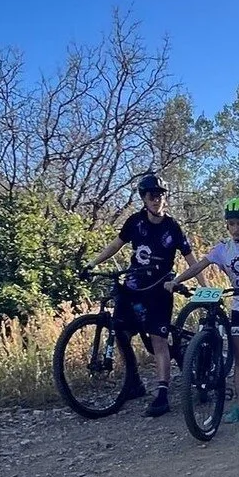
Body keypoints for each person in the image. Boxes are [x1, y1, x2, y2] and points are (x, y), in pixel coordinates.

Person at [84, 171, 199, 417]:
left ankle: (162, 394)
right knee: (122, 333)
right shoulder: (134, 222)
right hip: (133, 286)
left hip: (159, 288)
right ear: (143, 198)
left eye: (160, 196)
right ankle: (134, 383)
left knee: (158, 341)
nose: (156, 200)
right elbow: (116, 245)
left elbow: (191, 259)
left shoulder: (173, 227)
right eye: (151, 196)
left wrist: (204, 286)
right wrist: (92, 265)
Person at [168, 197, 239, 424]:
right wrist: (176, 281)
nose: (235, 228)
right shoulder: (222, 248)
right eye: (231, 224)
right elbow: (198, 266)